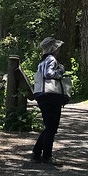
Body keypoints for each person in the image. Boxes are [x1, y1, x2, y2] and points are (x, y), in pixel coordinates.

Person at [31, 36, 68, 164]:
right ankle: (46, 156)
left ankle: (37, 153)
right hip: (51, 96)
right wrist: (60, 71)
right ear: (53, 49)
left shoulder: (42, 61)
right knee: (52, 127)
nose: (58, 50)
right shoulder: (51, 59)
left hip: (42, 96)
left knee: (48, 126)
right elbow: (49, 74)